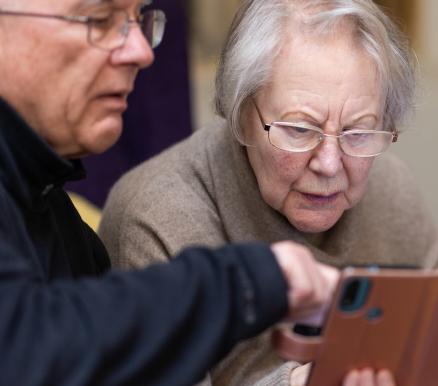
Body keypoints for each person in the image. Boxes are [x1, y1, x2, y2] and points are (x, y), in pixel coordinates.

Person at [99, 0, 438, 385]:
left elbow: (426, 362)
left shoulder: (390, 189)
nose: (329, 165)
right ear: (242, 116)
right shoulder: (156, 214)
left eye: (359, 132)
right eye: (300, 129)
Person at [0, 0, 356, 384]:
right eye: (101, 20)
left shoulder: (52, 209)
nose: (140, 50)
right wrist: (251, 281)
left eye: (138, 19)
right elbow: (21, 349)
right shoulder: (152, 209)